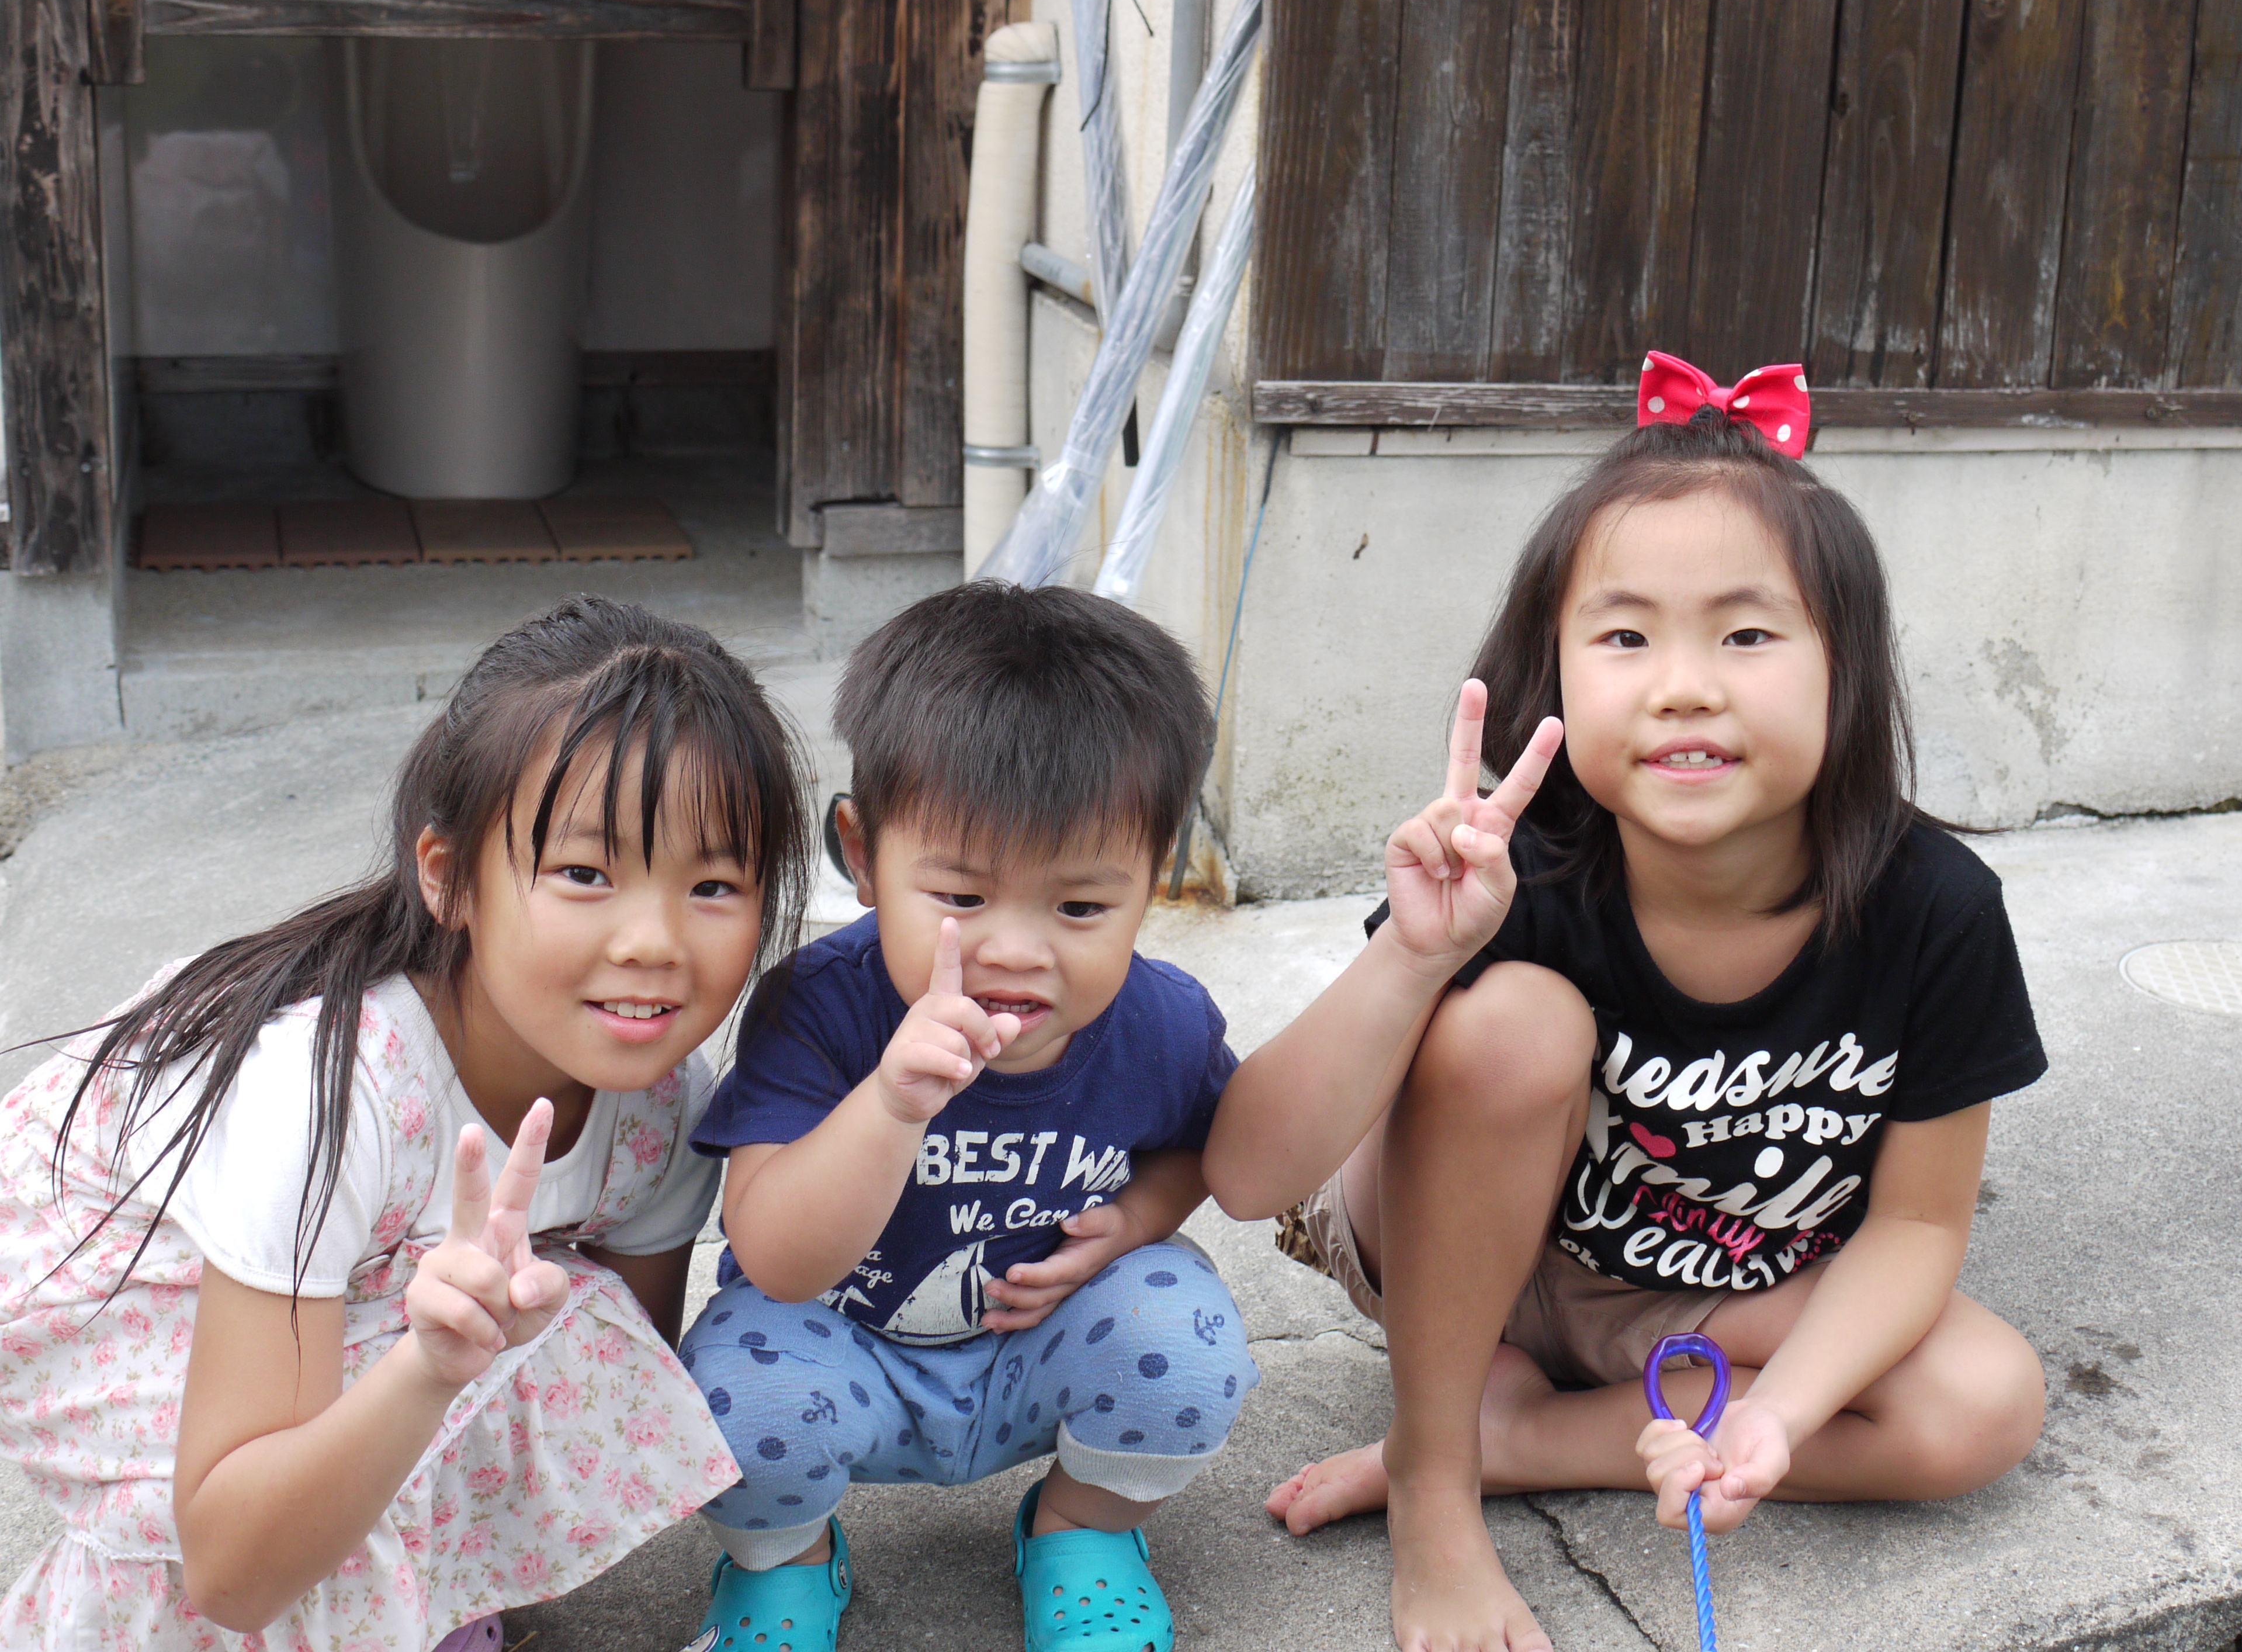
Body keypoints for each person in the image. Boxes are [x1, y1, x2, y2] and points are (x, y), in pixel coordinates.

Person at [1266, 369, 2052, 1652]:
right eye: (1626, 638)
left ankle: (1516, 1435)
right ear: (1555, 672)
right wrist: (1409, 958)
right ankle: (1433, 1477)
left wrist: (1775, 1417)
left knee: (1982, 1402)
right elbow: (1256, 1174)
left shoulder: (1933, 911)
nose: (1684, 686)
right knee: (1515, 1022)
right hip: (1461, 1252)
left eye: (1746, 636)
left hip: (1697, 1296)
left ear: (1844, 672)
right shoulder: (1519, 877)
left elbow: (1915, 1226)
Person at [679, 580, 1562, 1652]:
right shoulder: (821, 1008)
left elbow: (1225, 1164)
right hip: (842, 1357)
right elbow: (774, 1259)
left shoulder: (1155, 1021)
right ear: (862, 857)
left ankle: (1082, 1530)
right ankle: (785, 1562)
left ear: (1157, 873)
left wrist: (1141, 1216)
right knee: (732, 1382)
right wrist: (891, 1104)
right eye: (961, 897)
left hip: (1034, 1359)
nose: (1017, 950)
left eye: (1080, 906)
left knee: (1185, 1331)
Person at [0, 596, 815, 1652]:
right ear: (447, 878)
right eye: (584, 874)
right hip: (114, 1284)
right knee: (278, 1509)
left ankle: (414, 1587)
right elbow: (230, 1569)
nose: (653, 942)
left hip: (363, 1265)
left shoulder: (665, 1105)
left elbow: (621, 1372)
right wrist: (425, 1373)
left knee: (573, 1327)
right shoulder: (320, 1093)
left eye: (713, 884)